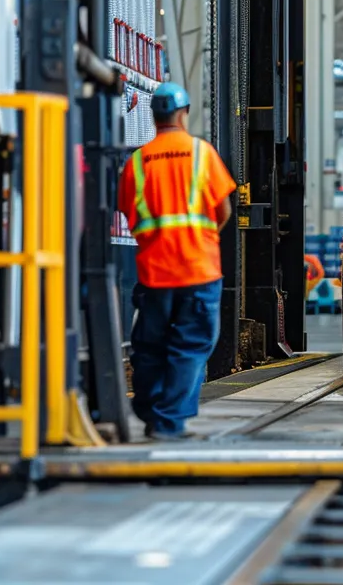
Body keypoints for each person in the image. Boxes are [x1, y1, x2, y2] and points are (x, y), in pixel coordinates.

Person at [117, 81, 236, 441]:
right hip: (198, 270)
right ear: (183, 114)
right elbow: (223, 210)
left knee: (150, 347)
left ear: (154, 117)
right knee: (190, 345)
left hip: (154, 272)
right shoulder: (201, 154)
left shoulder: (137, 162)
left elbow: (126, 211)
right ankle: (168, 422)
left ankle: (151, 412)